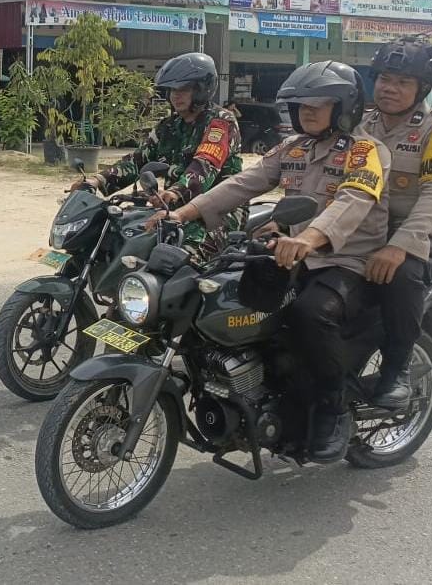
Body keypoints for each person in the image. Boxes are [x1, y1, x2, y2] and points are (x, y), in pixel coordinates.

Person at [154, 61, 391, 463]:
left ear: (344, 105)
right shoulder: (292, 147)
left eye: (317, 104)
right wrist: (183, 213)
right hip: (290, 252)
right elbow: (243, 183)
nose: (307, 112)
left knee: (307, 314)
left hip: (345, 259)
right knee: (224, 298)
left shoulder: (366, 151)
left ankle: (333, 410)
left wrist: (309, 239)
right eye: (300, 105)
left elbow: (353, 202)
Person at [358, 37, 432, 409]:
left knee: (400, 274)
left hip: (423, 235)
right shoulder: (360, 123)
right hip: (365, 229)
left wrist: (397, 245)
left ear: (422, 88)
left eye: (403, 82)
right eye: (386, 78)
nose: (390, 88)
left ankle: (396, 368)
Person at [75, 52, 243, 257]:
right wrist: (98, 180)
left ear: (201, 89)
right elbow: (138, 160)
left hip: (217, 212)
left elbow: (204, 165)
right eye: (172, 89)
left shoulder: (220, 122)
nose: (175, 95)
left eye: (183, 89)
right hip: (173, 209)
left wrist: (176, 191)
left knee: (180, 259)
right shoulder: (169, 126)